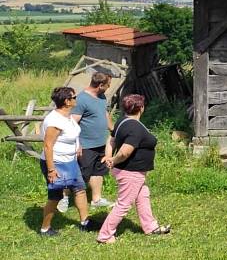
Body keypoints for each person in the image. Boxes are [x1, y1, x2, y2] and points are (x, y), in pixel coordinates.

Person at [97, 94, 170, 244]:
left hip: (132, 172)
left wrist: (109, 156)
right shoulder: (134, 127)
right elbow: (125, 152)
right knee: (123, 204)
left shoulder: (122, 121)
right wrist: (114, 159)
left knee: (143, 195)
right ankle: (104, 236)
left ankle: (150, 227)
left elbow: (112, 139)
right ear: (141, 108)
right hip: (131, 172)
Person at [39, 87, 96, 236]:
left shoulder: (67, 116)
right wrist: (51, 170)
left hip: (70, 161)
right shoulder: (54, 120)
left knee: (79, 189)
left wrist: (78, 146)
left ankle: (85, 222)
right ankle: (45, 228)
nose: (76, 99)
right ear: (67, 101)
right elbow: (47, 145)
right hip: (56, 163)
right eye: (74, 97)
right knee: (56, 195)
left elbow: (73, 133)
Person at [59, 72, 115, 213]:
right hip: (86, 145)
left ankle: (96, 199)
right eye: (108, 84)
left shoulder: (102, 97)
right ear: (100, 85)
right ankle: (64, 198)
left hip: (101, 143)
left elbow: (105, 114)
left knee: (99, 171)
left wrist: (113, 130)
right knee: (76, 172)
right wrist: (77, 144)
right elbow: (73, 123)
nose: (109, 87)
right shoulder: (82, 99)